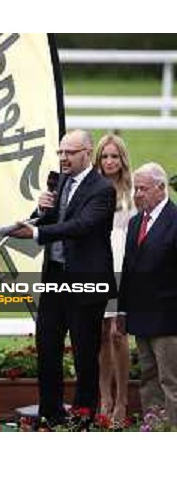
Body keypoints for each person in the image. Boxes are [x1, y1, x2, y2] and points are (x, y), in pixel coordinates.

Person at [9, 129, 116, 428]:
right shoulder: (61, 181)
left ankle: (83, 416)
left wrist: (38, 232)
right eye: (60, 153)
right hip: (55, 277)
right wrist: (39, 211)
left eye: (69, 152)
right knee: (47, 346)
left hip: (86, 280)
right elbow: (48, 221)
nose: (63, 158)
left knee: (84, 353)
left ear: (87, 152)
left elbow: (81, 226)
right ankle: (51, 413)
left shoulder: (102, 189)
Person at [118, 163, 177, 425]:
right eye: (135, 188)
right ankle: (153, 427)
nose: (137, 194)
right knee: (148, 378)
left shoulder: (175, 221)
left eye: (143, 189)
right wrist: (122, 310)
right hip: (141, 316)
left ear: (161, 189)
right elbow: (127, 271)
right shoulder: (134, 223)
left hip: (168, 318)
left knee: (170, 380)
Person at [93, 134, 136, 425]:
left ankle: (123, 399)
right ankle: (104, 398)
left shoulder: (134, 191)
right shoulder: (91, 187)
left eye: (114, 156)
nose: (109, 161)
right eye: (105, 156)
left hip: (125, 267)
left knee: (118, 335)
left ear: (122, 160)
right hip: (96, 265)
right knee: (100, 335)